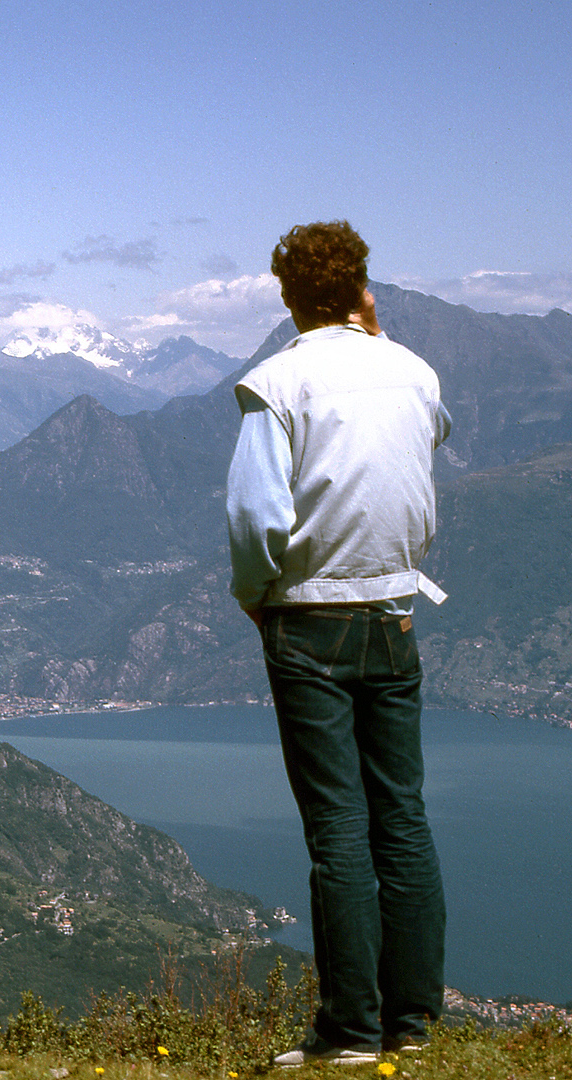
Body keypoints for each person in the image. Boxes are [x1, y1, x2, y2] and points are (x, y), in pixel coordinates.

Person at [226, 221, 451, 1068]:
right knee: (403, 818)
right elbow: (424, 440)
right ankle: (415, 1026)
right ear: (362, 286)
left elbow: (255, 515)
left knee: (338, 831)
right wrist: (380, 340)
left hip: (308, 618)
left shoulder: (276, 381)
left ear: (287, 298)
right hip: (394, 612)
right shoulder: (413, 371)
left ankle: (349, 1034)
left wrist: (257, 598)